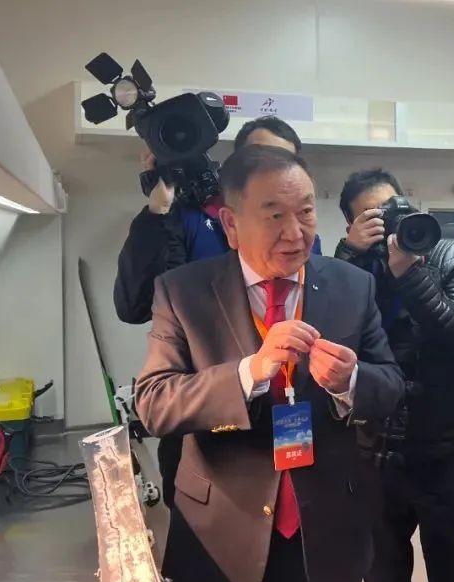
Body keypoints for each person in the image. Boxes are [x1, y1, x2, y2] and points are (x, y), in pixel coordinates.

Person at [135, 145, 404, 582]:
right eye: (274, 215)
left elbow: (391, 385)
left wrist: (351, 381)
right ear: (232, 225)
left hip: (326, 530)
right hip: (221, 536)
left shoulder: (352, 285)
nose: (295, 232)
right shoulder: (184, 291)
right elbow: (154, 402)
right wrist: (249, 372)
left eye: (305, 212)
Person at [114, 116, 321, 511]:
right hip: (205, 440)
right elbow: (134, 304)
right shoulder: (190, 220)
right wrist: (159, 209)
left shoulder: (305, 242)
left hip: (291, 432)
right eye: (258, 159)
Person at [334, 168, 454, 582]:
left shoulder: (448, 254)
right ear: (354, 225)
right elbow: (333, 340)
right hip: (374, 454)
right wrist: (350, 256)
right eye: (373, 217)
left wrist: (410, 272)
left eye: (394, 208)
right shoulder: (349, 270)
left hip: (447, 452)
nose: (390, 222)